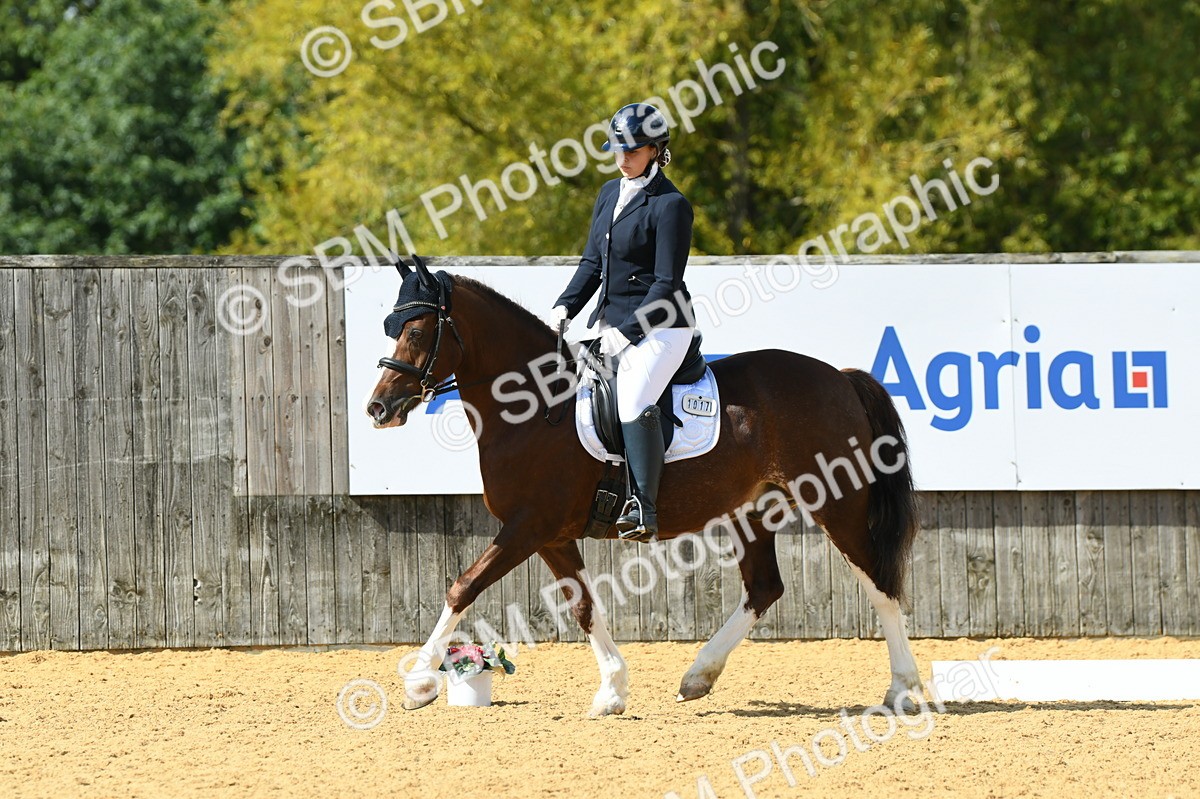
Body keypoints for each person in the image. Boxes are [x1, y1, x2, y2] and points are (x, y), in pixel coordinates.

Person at [547, 102, 695, 541]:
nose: (622, 158)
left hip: (663, 326)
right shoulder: (609, 193)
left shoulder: (671, 205)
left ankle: (643, 508)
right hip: (611, 324)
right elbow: (593, 262)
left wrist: (627, 334)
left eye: (632, 151)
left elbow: (666, 282)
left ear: (655, 151)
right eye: (618, 150)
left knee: (631, 399)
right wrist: (566, 305)